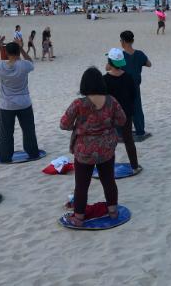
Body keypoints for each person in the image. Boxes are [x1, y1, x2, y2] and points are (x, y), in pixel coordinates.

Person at [59, 67, 125, 226]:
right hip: (106, 148)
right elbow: (122, 120)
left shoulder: (79, 104)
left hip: (84, 150)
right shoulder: (111, 101)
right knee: (108, 181)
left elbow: (64, 124)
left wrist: (79, 125)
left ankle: (79, 217)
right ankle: (113, 211)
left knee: (81, 185)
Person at [0, 35, 39, 162]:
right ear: (18, 52)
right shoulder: (24, 65)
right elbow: (31, 62)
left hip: (7, 104)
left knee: (6, 132)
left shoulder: (1, 67)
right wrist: (22, 48)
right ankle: (32, 152)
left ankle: (5, 156)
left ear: (6, 52)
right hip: (24, 103)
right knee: (28, 130)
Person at [104, 48, 141, 172]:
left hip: (111, 114)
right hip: (126, 113)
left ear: (110, 61)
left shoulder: (105, 79)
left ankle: (108, 168)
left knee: (110, 141)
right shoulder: (128, 77)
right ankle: (135, 166)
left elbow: (104, 98)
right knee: (128, 139)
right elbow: (134, 95)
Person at [120, 30, 151, 138]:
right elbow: (149, 64)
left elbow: (108, 67)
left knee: (122, 108)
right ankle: (140, 130)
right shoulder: (139, 54)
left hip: (123, 86)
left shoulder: (121, 55)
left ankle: (121, 131)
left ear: (123, 41)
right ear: (132, 40)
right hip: (135, 85)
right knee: (137, 108)